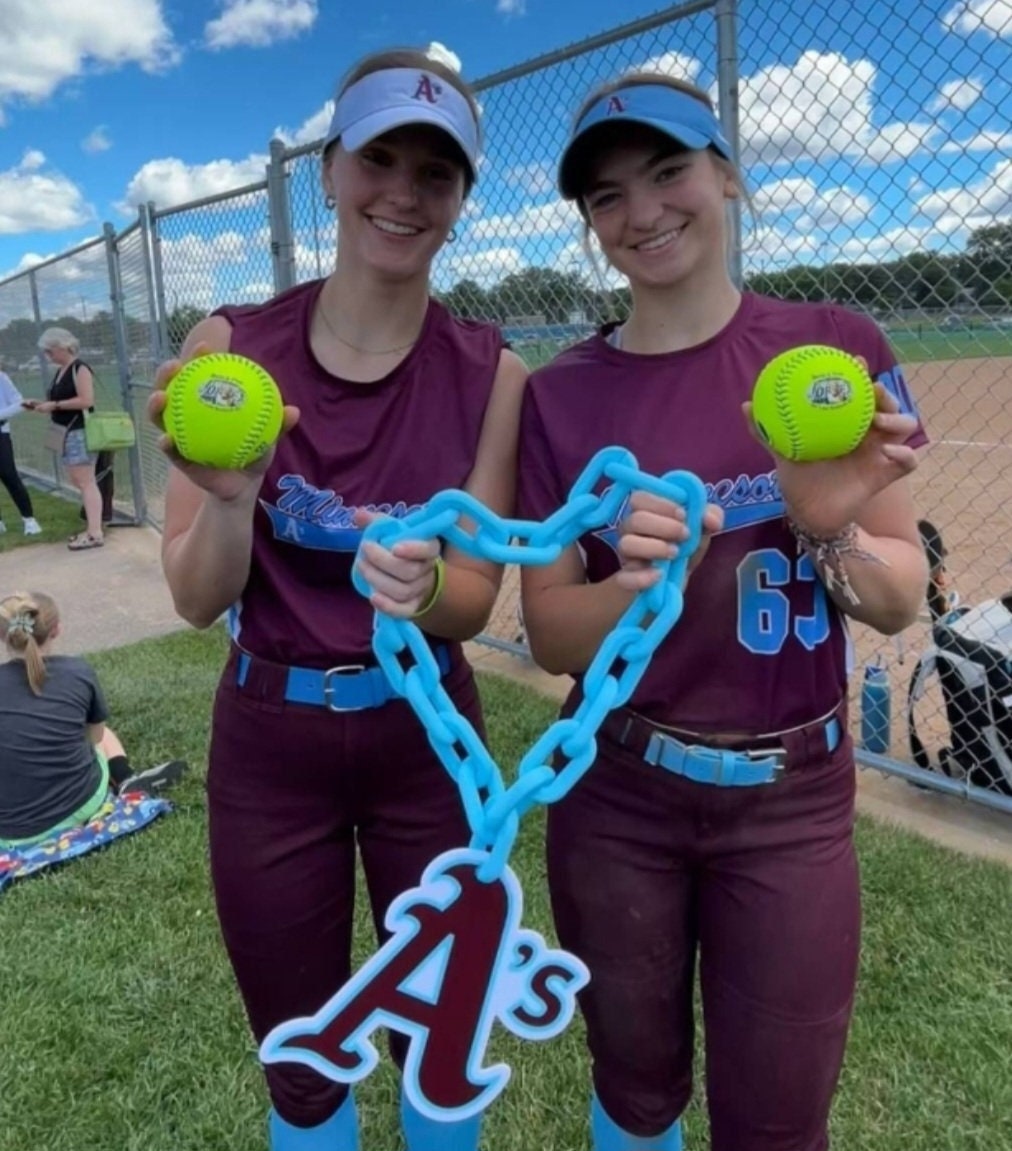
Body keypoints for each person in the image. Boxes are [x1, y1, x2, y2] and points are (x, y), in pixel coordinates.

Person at [517, 73, 930, 1151]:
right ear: (590, 225)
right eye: (607, 196)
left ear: (729, 177)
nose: (642, 211)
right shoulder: (562, 393)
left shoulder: (833, 343)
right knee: (633, 1088)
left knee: (778, 1117)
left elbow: (899, 596)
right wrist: (630, 587)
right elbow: (552, 630)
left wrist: (824, 523)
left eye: (667, 172)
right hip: (619, 794)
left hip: (789, 802)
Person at [149, 48, 526, 1151]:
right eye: (379, 158)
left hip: (428, 743)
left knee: (438, 1045)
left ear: (461, 201)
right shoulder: (231, 348)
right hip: (271, 738)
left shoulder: (489, 369)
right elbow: (191, 596)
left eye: (436, 172)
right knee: (303, 1053)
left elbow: (471, 600)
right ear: (329, 171)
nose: (403, 192)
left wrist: (424, 590)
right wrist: (229, 501)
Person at [0, 591, 187, 850]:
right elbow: (95, 738)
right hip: (78, 805)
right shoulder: (77, 672)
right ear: (56, 630)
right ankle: (125, 778)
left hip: (8, 832)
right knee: (104, 733)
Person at [23, 328, 104, 550]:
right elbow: (61, 400)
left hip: (78, 430)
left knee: (86, 481)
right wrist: (40, 404)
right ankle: (92, 528)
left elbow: (86, 400)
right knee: (79, 481)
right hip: (64, 431)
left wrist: (56, 405)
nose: (48, 356)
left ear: (62, 346)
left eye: (50, 351)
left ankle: (95, 532)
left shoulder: (80, 368)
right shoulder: (61, 371)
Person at [0, 368, 42, 536]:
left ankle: (29, 520)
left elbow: (19, 403)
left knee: (9, 475)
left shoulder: (1, 377)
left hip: (1, 433)